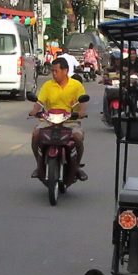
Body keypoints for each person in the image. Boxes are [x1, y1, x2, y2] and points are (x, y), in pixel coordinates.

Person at [32, 54, 90, 182]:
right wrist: (34, 111)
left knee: (77, 137)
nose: (53, 74)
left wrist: (81, 112)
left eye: (56, 71)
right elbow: (39, 102)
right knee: (36, 135)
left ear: (65, 71)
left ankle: (76, 167)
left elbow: (83, 102)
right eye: (52, 71)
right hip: (49, 120)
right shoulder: (47, 85)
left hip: (70, 121)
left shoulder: (76, 85)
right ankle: (39, 166)